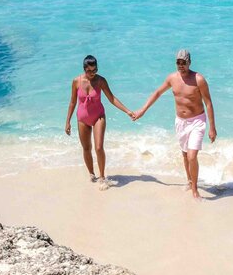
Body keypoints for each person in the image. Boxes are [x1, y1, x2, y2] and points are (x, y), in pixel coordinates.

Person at [132, 49, 217, 200]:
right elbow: (157, 93)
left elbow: (208, 103)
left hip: (197, 120)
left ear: (189, 62)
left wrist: (212, 127)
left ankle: (195, 190)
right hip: (180, 122)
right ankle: (190, 181)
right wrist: (143, 110)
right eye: (178, 62)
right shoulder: (172, 78)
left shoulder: (199, 80)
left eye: (183, 63)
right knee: (185, 155)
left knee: (192, 156)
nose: (181, 65)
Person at [65, 55, 133, 190]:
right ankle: (91, 174)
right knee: (86, 148)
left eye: (95, 70)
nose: (92, 73)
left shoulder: (101, 81)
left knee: (98, 147)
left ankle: (102, 177)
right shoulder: (76, 81)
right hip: (82, 119)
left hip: (98, 117)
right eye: (89, 71)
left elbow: (111, 98)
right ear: (84, 69)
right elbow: (72, 102)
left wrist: (127, 111)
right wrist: (67, 121)